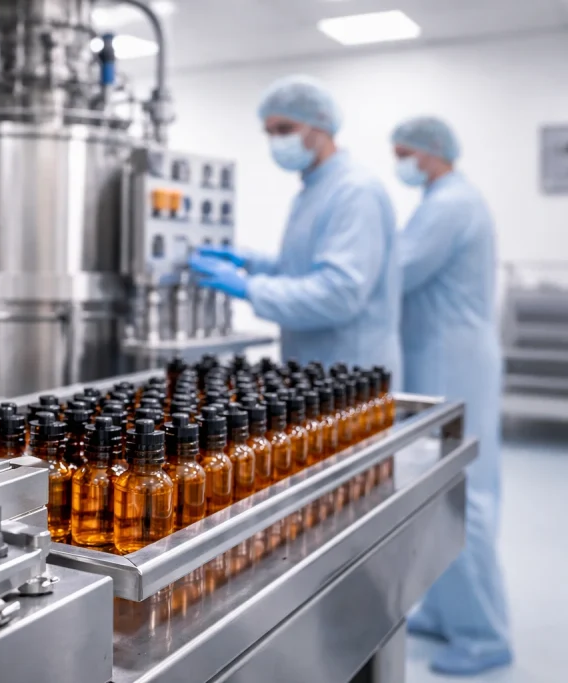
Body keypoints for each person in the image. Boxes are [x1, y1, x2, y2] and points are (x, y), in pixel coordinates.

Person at [392, 116, 512, 675]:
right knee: (444, 489)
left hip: (452, 359)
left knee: (463, 492)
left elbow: (399, 271)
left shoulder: (449, 205)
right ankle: (445, 612)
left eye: (404, 152)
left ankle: (485, 636)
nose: (401, 161)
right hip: (449, 354)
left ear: (430, 152)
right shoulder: (445, 198)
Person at [189, 75, 401, 377]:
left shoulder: (355, 191)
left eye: (285, 129)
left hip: (351, 371)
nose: (276, 140)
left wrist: (249, 287)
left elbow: (339, 294)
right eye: (270, 132)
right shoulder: (312, 190)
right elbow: (301, 269)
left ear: (321, 125)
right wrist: (251, 262)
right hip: (312, 369)